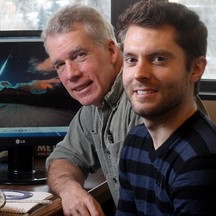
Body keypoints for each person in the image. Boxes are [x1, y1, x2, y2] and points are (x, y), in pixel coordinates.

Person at [41, 3, 209, 216]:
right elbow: (63, 157)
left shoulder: (151, 105)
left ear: (112, 51)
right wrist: (70, 189)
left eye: (79, 55)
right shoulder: (99, 112)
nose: (70, 73)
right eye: (60, 65)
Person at [115, 1, 216, 215]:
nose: (139, 73)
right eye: (131, 59)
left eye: (158, 59)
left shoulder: (201, 161)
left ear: (196, 69)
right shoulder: (135, 141)